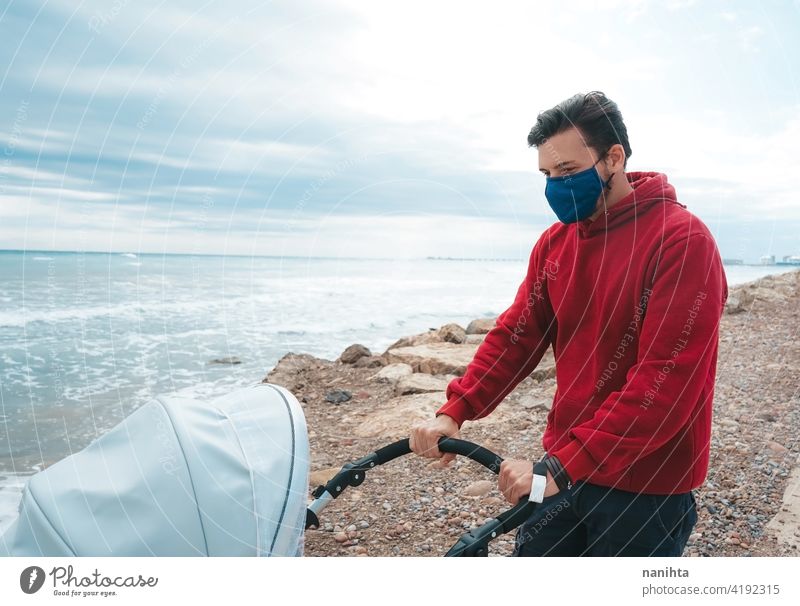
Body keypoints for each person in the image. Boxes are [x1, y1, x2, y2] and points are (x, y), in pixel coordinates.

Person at [409, 91, 728, 556]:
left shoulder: (682, 241)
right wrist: (454, 411)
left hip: (646, 484)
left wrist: (564, 465)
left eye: (568, 172)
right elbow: (515, 337)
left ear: (613, 158)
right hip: (564, 465)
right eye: (546, 174)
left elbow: (665, 383)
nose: (555, 186)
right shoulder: (556, 244)